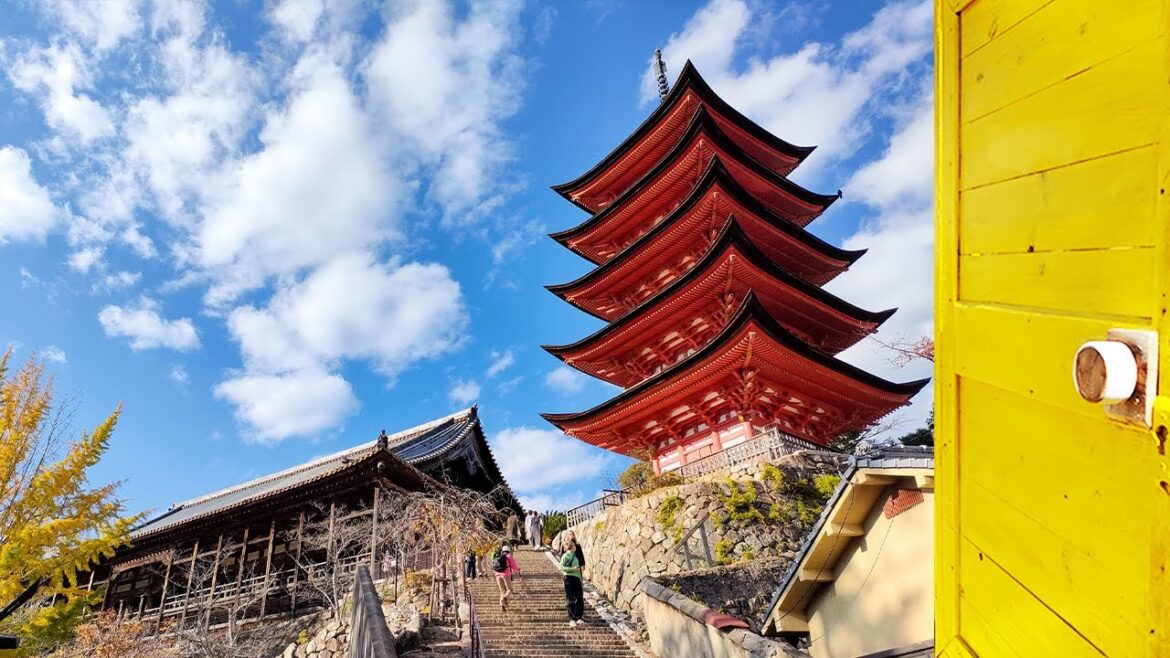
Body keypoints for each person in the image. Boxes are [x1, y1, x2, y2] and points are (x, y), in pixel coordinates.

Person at [559, 538, 585, 627]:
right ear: (571, 547)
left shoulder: (575, 556)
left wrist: (580, 579)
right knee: (570, 598)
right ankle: (572, 618)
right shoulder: (565, 556)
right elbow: (562, 567)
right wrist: (572, 569)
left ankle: (579, 617)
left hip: (577, 578)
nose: (575, 546)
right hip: (568, 578)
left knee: (579, 597)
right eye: (574, 545)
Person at [491, 542, 521, 611]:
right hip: (506, 575)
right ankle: (505, 598)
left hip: (497, 575)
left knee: (502, 591)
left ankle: (502, 606)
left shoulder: (497, 556)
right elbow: (514, 566)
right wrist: (517, 569)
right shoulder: (509, 556)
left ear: (502, 551)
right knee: (509, 589)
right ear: (509, 551)